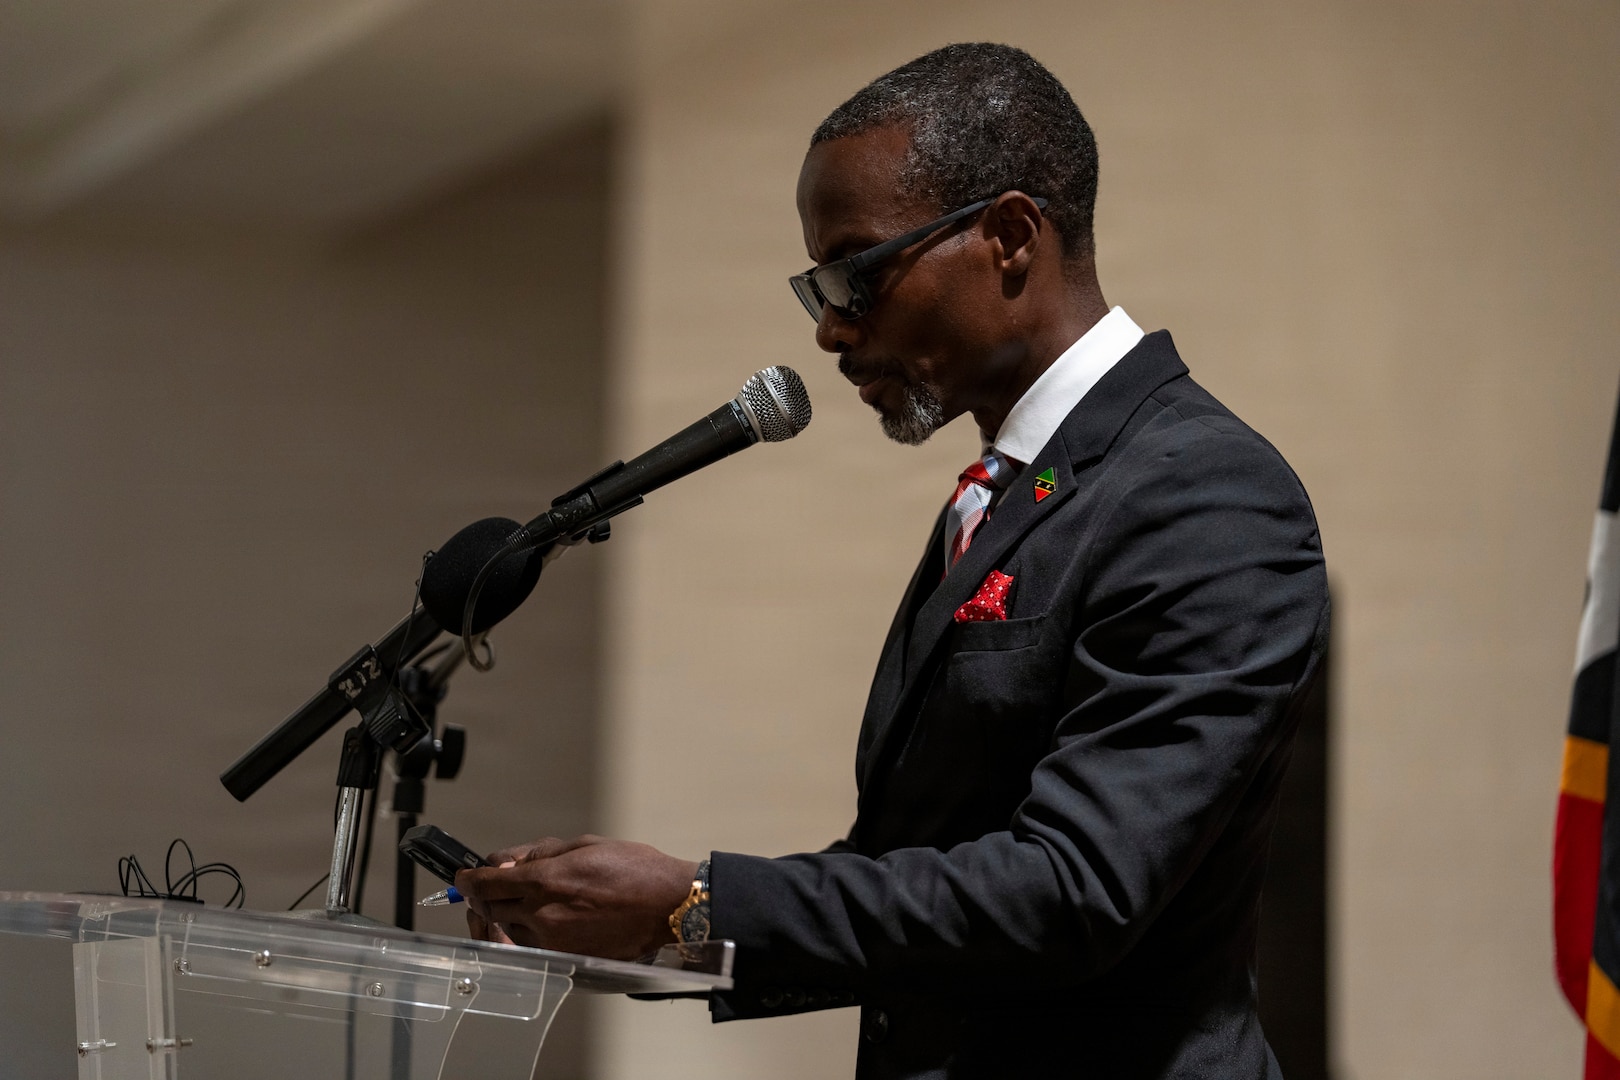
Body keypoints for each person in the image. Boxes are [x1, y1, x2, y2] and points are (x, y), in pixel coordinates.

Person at [456, 43, 1329, 1080]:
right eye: (817, 286)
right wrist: (658, 925)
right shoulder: (1006, 493)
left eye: (859, 271)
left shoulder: (1205, 494)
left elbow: (1073, 890)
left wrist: (698, 897)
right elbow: (917, 877)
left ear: (1009, 237)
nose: (830, 328)